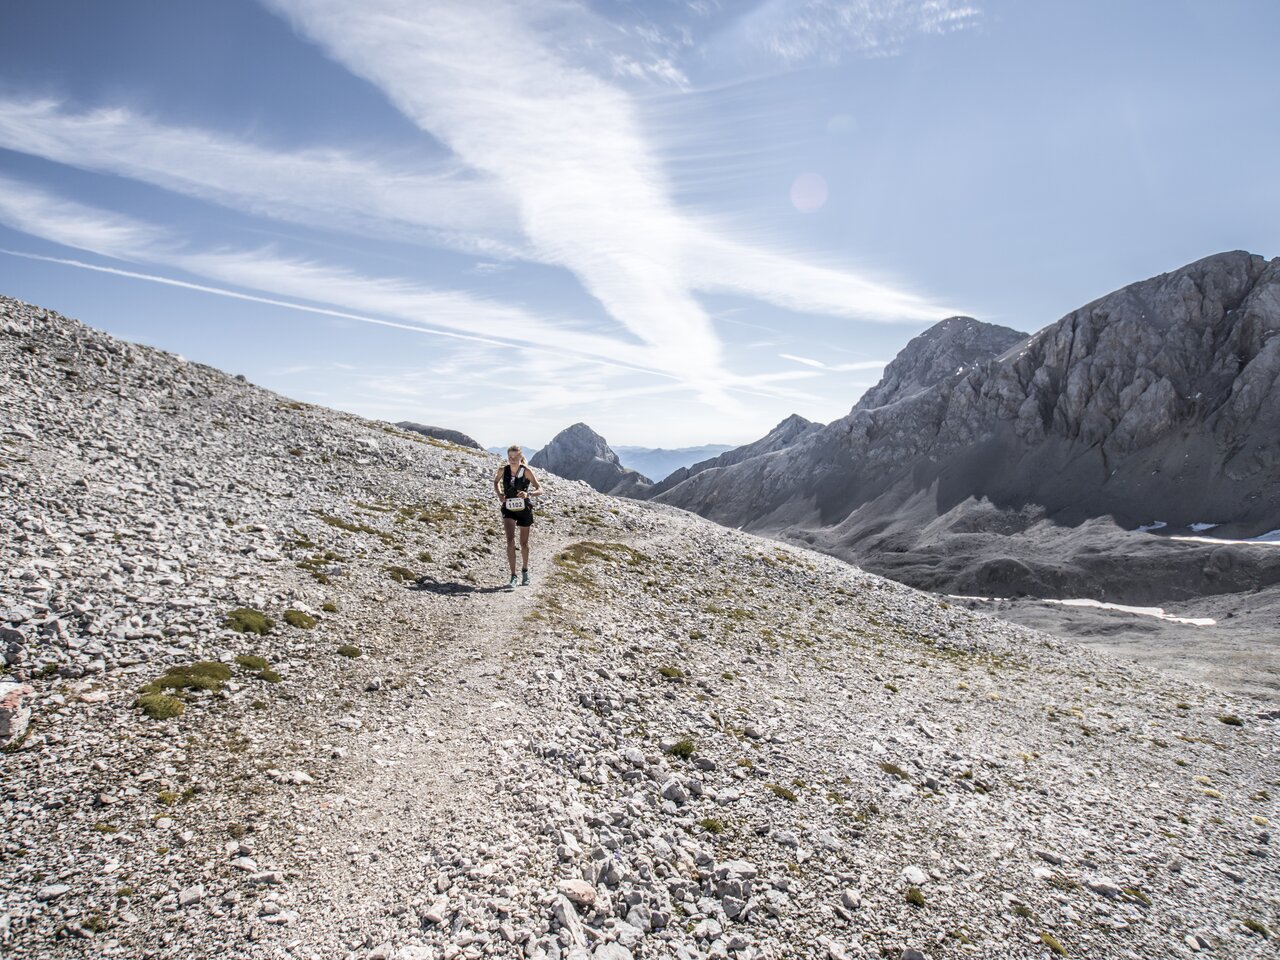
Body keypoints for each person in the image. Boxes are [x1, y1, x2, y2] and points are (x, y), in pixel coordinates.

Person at [493, 445, 542, 587]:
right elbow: (496, 482)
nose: (512, 460)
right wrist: (499, 495)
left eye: (515, 457)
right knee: (510, 540)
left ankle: (525, 571)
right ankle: (513, 576)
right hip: (508, 507)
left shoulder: (526, 471)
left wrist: (529, 494)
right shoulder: (503, 470)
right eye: (510, 457)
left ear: (521, 457)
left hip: (524, 508)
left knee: (524, 543)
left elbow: (540, 488)